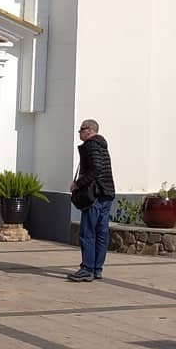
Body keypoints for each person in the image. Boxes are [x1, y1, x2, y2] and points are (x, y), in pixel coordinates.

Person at [67, 119, 115, 282]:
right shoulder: (101, 145)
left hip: (94, 195)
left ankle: (87, 269)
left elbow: (96, 169)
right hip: (106, 193)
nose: (79, 133)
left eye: (81, 129)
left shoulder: (92, 145)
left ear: (89, 130)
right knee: (102, 233)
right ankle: (97, 268)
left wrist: (78, 184)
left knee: (87, 233)